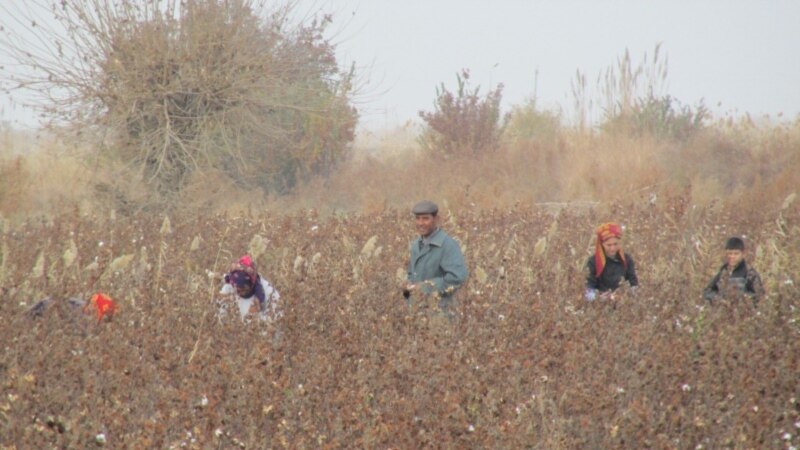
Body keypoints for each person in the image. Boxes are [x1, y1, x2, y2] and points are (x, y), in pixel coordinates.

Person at [403, 200, 468, 315]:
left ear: (436, 219)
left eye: (425, 218)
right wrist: (407, 286)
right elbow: (412, 274)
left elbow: (457, 278)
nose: (420, 223)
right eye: (417, 218)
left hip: (441, 313)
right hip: (417, 313)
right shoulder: (415, 245)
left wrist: (423, 288)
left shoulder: (448, 245)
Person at [584, 222, 638, 301]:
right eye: (608, 245)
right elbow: (588, 291)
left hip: (624, 305)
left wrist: (627, 294)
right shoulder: (593, 262)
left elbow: (634, 284)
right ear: (602, 244)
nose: (612, 248)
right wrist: (600, 297)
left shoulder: (627, 260)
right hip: (600, 306)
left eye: (615, 244)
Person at [703, 237, 765, 305]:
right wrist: (719, 299)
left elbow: (760, 297)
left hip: (743, 313)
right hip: (722, 313)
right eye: (730, 253)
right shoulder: (723, 271)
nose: (732, 256)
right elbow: (707, 292)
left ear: (743, 254)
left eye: (736, 254)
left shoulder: (750, 273)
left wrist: (741, 298)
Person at [219, 255, 280, 321]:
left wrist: (256, 317)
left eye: (243, 290)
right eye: (236, 289)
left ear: (251, 283)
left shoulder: (269, 292)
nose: (239, 293)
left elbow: (277, 319)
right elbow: (220, 316)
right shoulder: (229, 288)